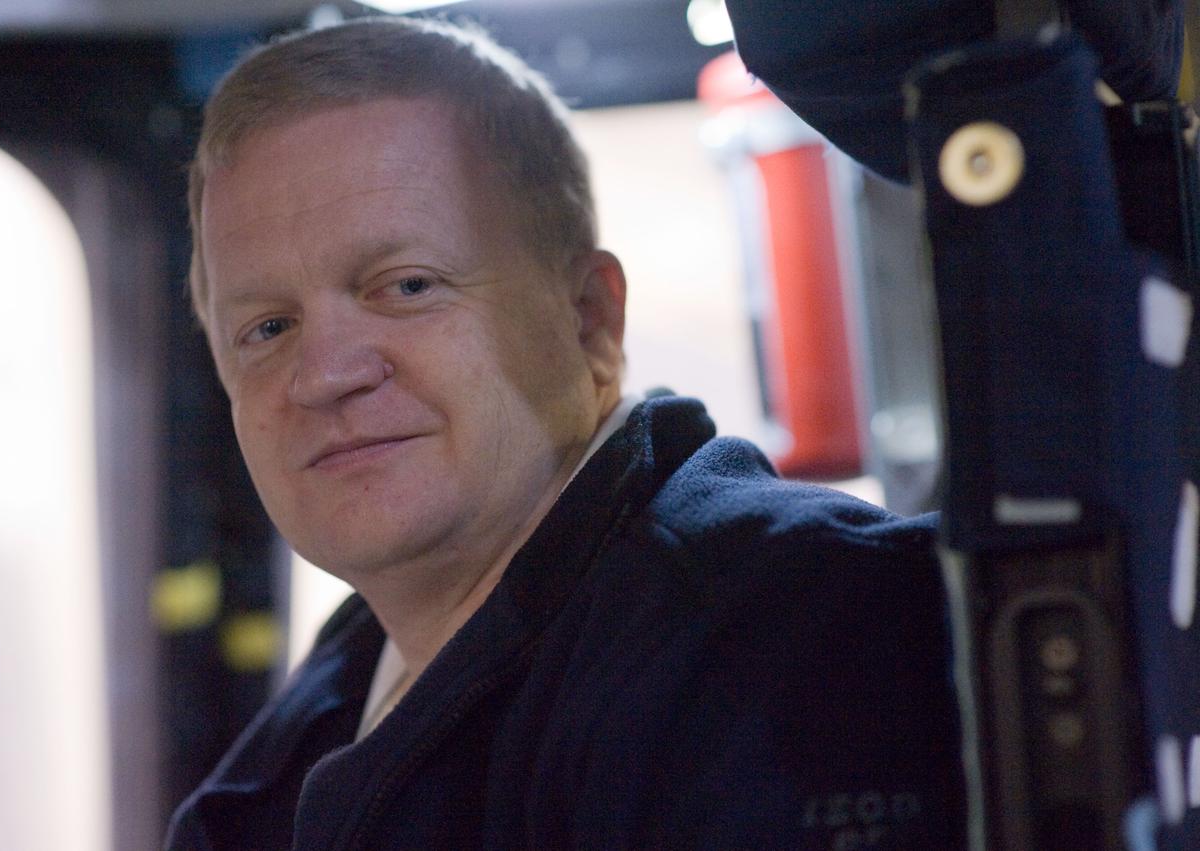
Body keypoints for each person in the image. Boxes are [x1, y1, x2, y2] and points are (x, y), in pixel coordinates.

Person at [166, 15, 965, 850]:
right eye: (267, 328)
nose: (325, 374)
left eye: (407, 285)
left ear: (589, 321)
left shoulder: (804, 637)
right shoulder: (322, 714)